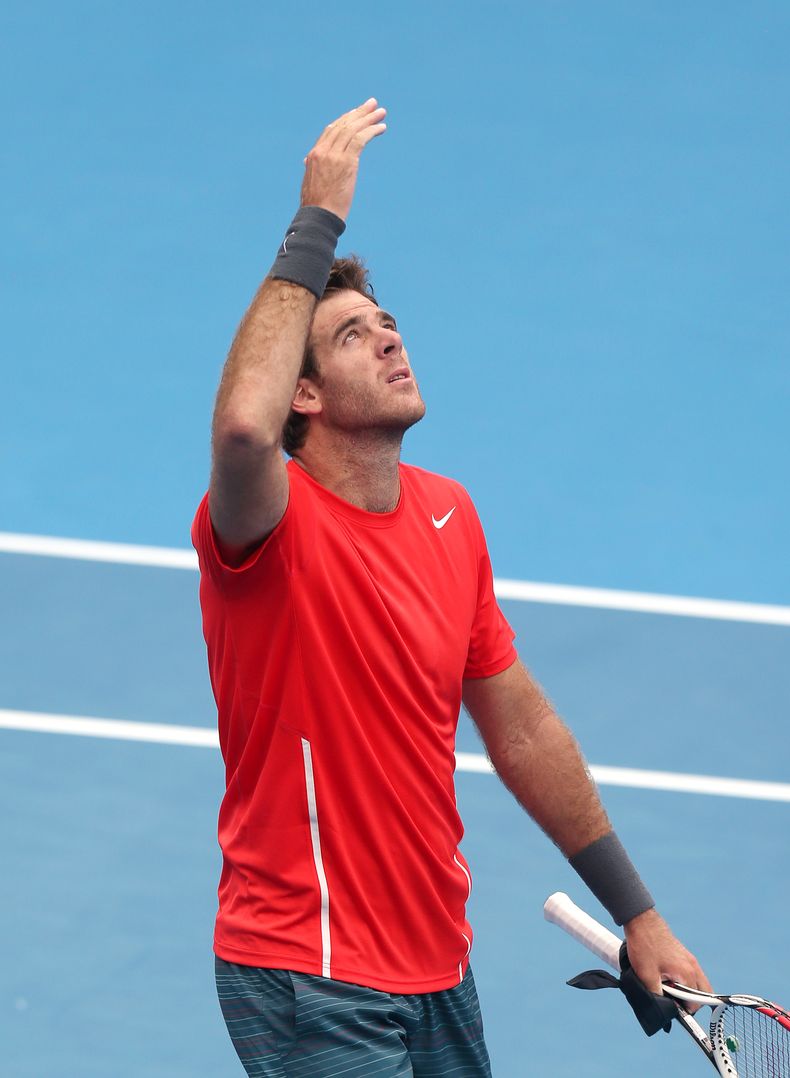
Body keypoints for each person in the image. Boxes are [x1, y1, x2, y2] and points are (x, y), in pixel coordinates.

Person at [192, 99, 711, 1077]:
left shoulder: (449, 514)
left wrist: (637, 912)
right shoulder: (265, 526)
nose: (391, 339)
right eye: (353, 336)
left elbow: (521, 727)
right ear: (304, 392)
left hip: (437, 965)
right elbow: (242, 430)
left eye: (388, 323)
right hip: (310, 969)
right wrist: (315, 224)